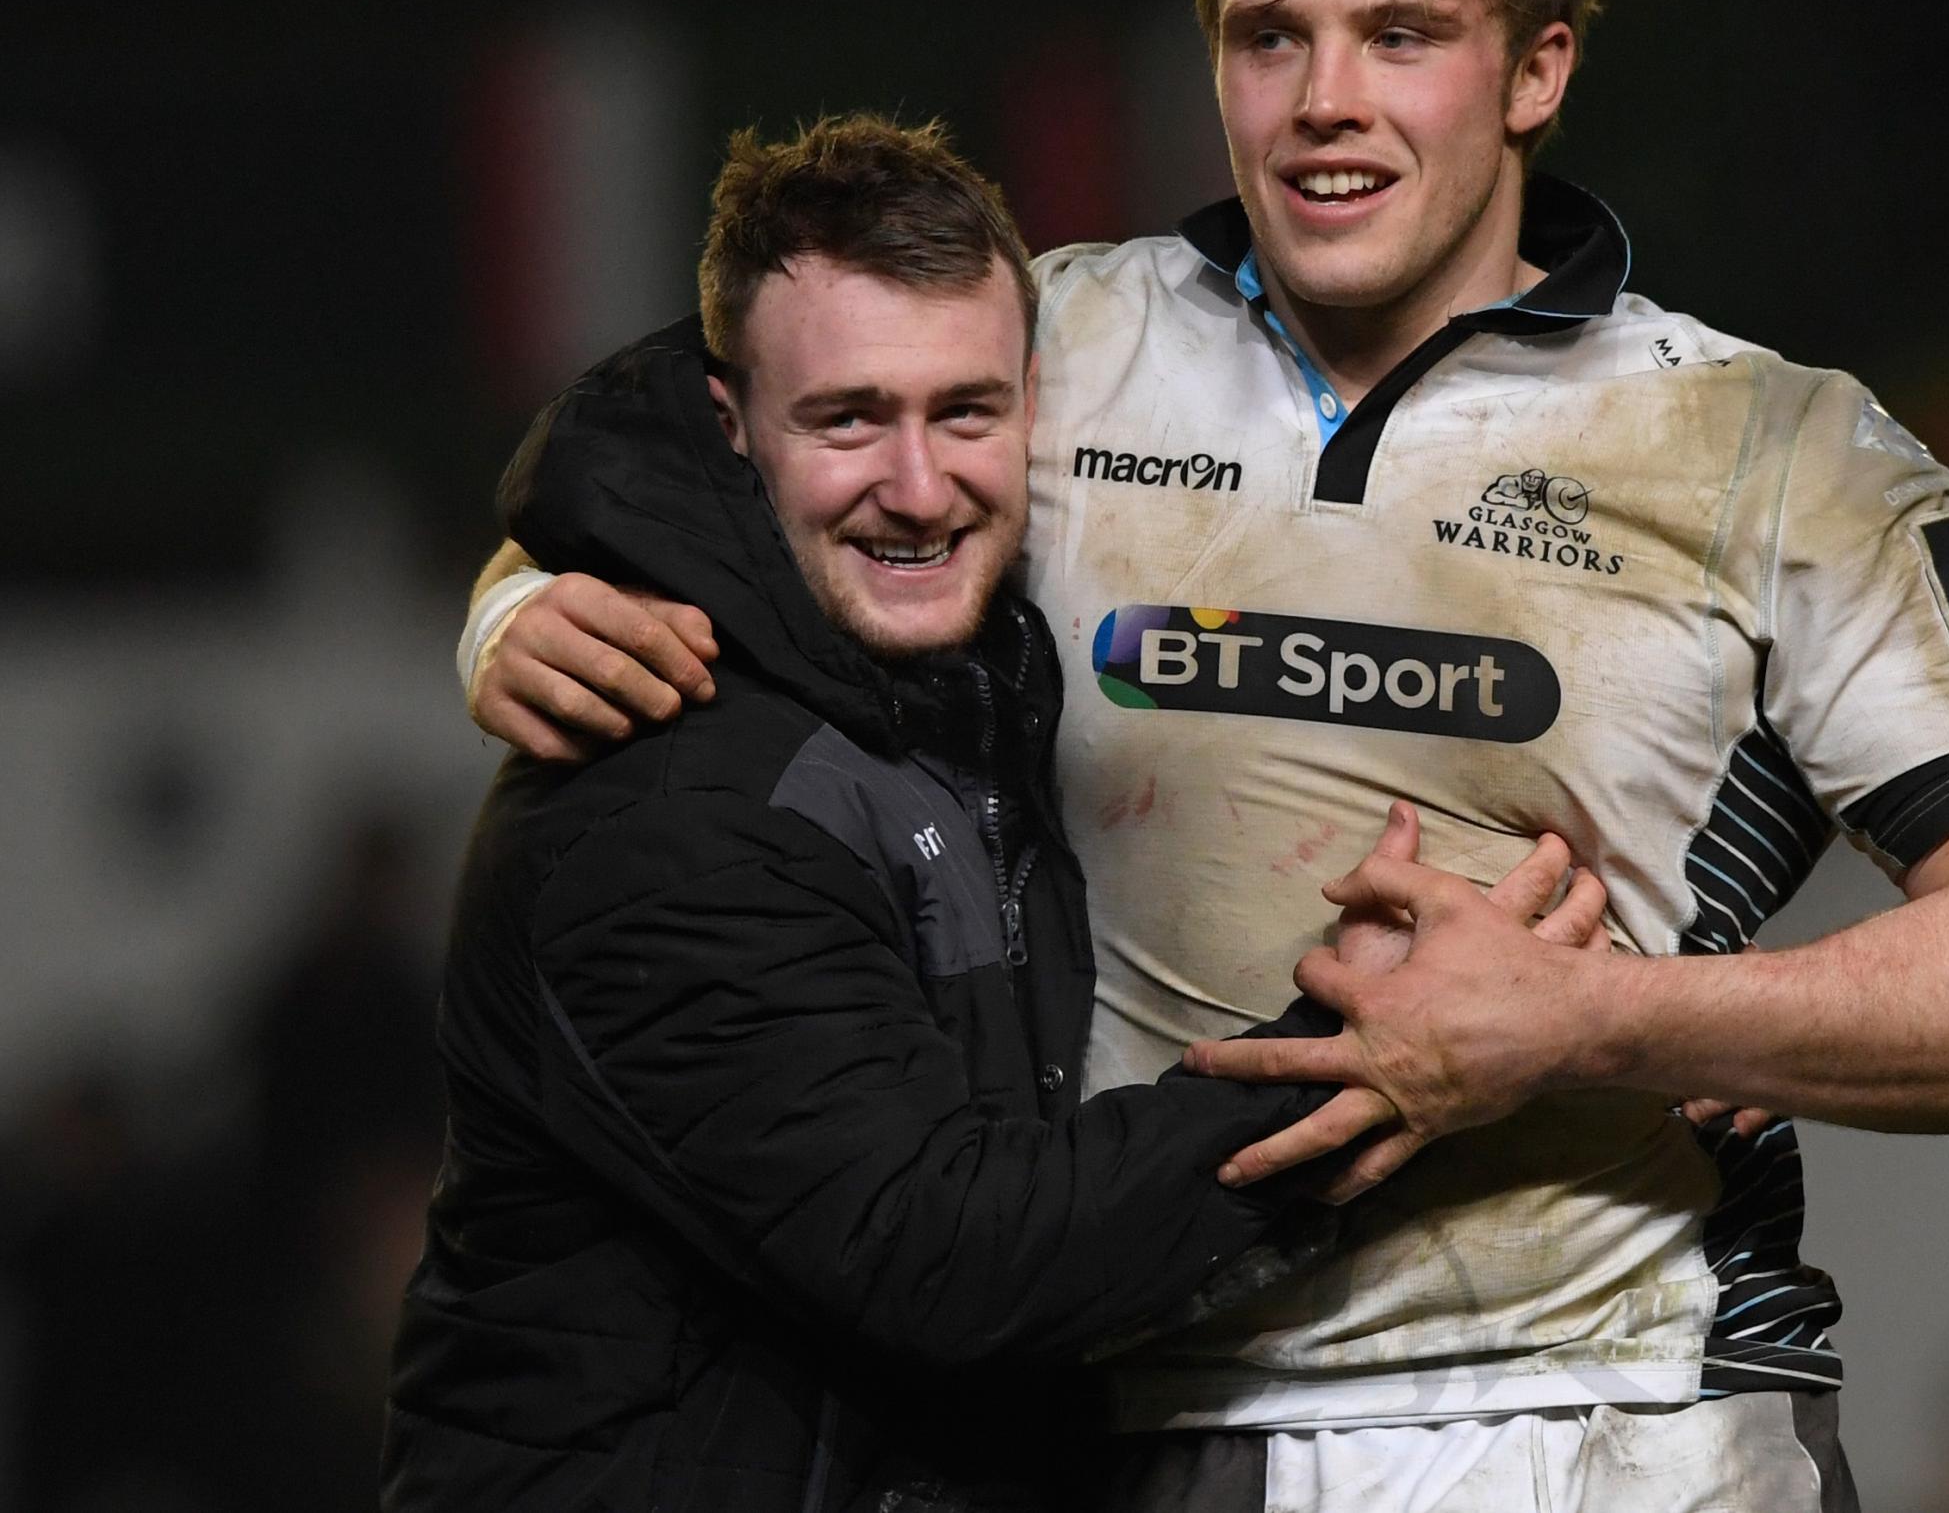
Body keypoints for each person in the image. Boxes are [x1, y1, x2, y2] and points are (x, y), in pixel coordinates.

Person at [464, 0, 1949, 1513]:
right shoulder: (1052, 341)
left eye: (1402, 36)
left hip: (1623, 1418)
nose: (1324, 100)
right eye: (1267, 36)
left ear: (1538, 71)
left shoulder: (1773, 450)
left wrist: (1615, 1025)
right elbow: (692, 442)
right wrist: (513, 603)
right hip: (1125, 1426)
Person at [385, 114, 1609, 1512]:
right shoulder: (661, 794)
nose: (918, 488)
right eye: (848, 419)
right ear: (733, 428)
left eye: (964, 413)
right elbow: (947, 1255)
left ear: (1038, 405)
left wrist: (1640, 1019)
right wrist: (1380, 1058)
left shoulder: (979, 684)